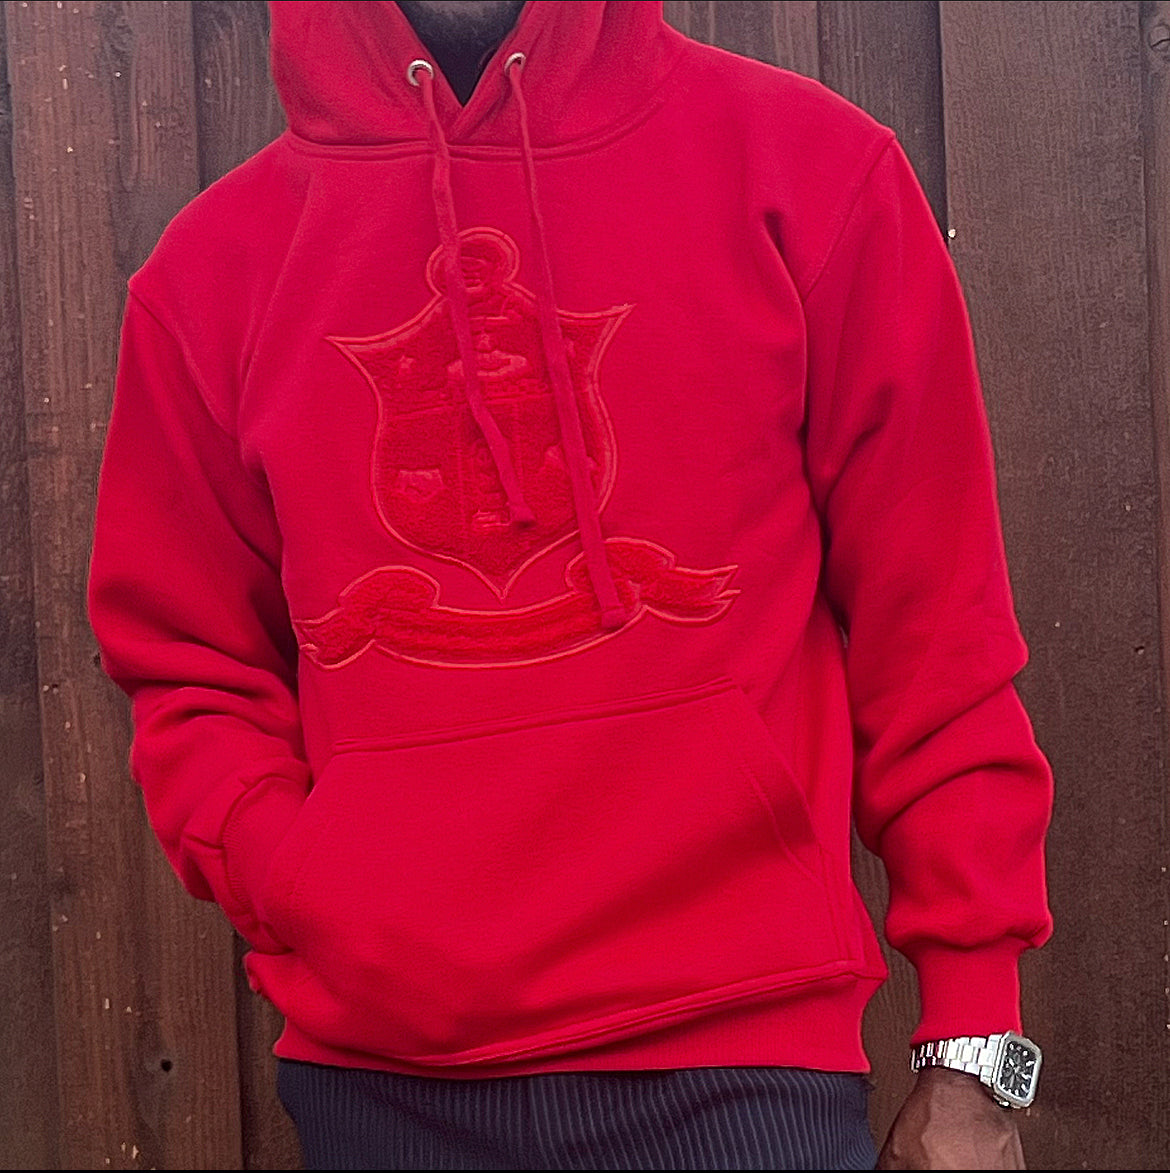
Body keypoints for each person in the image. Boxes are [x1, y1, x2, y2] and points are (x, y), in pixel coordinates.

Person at [86, 1, 1053, 1169]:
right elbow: (189, 667)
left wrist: (974, 1048)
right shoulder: (213, 271)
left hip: (740, 1071)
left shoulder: (807, 174)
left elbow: (936, 634)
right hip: (379, 1089)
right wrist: (298, 878)